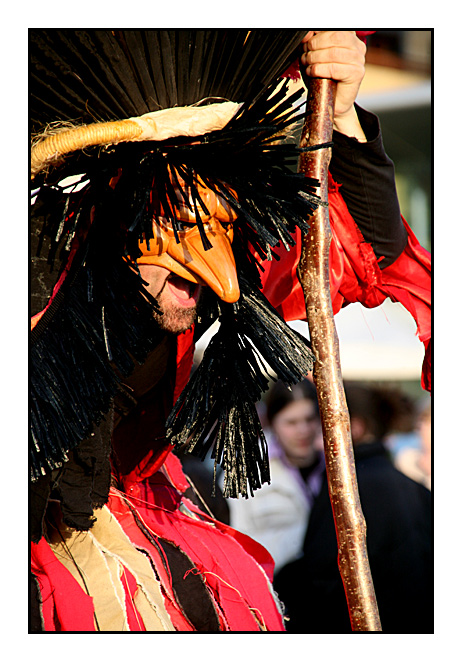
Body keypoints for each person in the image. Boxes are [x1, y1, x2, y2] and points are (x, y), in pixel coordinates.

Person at [30, 30, 431, 631]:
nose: (216, 279)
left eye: (221, 228)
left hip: (157, 527)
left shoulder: (219, 277)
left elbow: (364, 252)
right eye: (182, 229)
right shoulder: (41, 277)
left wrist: (343, 114)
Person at [274, 382, 433, 634]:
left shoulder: (345, 491)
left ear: (354, 428)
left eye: (322, 427)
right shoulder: (416, 490)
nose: (315, 438)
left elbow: (321, 575)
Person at [228, 379, 324, 572]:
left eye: (309, 419)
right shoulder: (245, 474)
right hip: (272, 589)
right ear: (272, 422)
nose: (303, 431)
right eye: (291, 422)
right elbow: (236, 546)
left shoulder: (335, 471)